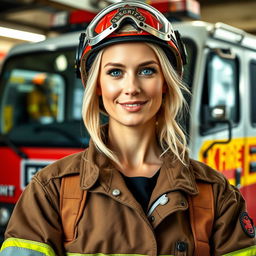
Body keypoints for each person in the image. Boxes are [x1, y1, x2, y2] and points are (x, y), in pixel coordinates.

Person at [0, 1, 255, 256]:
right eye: (115, 72)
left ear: (165, 82)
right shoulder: (48, 190)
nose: (131, 87)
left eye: (147, 70)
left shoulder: (217, 193)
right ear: (96, 85)